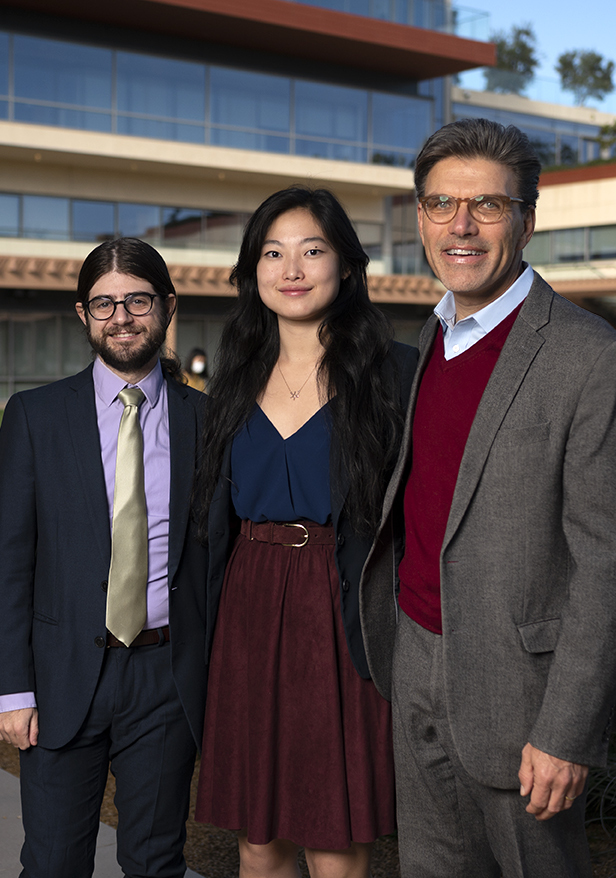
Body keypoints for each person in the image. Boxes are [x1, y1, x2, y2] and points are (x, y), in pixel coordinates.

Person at [358, 118, 616, 877]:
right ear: (419, 215)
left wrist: (566, 730)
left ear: (527, 218)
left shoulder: (589, 357)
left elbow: (611, 561)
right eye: (440, 205)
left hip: (522, 690)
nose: (461, 226)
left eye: (487, 206)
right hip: (417, 654)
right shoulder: (433, 336)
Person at [193, 187, 417, 878]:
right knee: (259, 842)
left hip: (340, 606)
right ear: (252, 271)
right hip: (249, 609)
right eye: (273, 252)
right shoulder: (231, 379)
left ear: (346, 266)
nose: (292, 268)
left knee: (333, 836)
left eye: (312, 250)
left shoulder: (395, 374)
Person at [0, 237, 213, 878]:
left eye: (137, 300)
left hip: (167, 677)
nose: (121, 317)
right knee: (54, 863)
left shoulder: (208, 420)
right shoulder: (35, 416)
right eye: (104, 303)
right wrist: (10, 688)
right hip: (61, 677)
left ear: (167, 307)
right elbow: (9, 561)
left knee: (156, 861)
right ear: (82, 314)